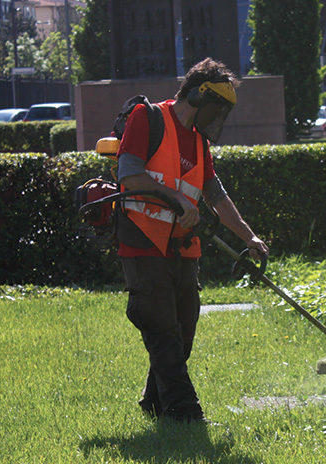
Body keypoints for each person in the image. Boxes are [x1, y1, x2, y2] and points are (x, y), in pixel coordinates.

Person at [116, 57, 269, 424]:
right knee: (161, 327)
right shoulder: (148, 117)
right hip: (143, 241)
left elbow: (215, 195)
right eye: (217, 109)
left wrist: (249, 236)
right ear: (199, 97)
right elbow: (130, 175)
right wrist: (177, 200)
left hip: (183, 248)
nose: (219, 120)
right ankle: (185, 415)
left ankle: (155, 403)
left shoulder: (199, 141)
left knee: (183, 331)